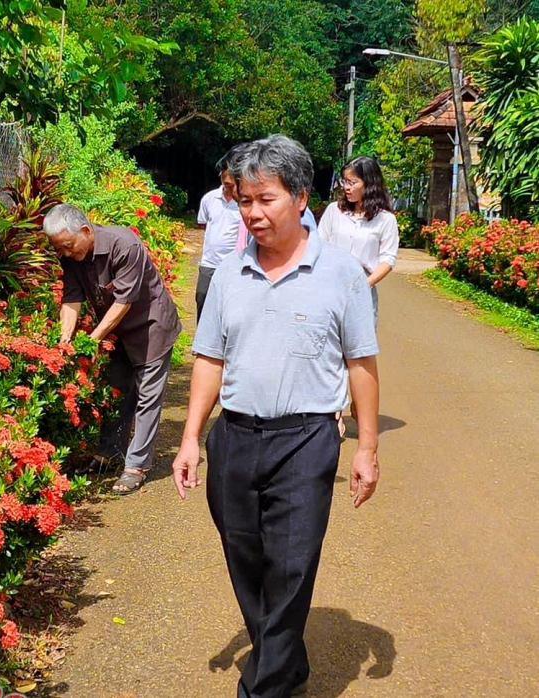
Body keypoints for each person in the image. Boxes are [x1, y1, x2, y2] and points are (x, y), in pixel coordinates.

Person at [172, 135, 381, 698]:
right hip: (235, 438)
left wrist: (366, 448)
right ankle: (288, 661)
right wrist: (190, 438)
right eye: (244, 200)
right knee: (248, 562)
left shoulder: (340, 273)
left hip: (307, 440)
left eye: (265, 199)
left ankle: (264, 687)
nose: (252, 213)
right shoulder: (228, 275)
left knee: (290, 568)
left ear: (300, 196)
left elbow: (361, 363)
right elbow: (209, 359)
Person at [43, 204, 182, 495]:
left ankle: (136, 466)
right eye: (61, 250)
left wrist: (93, 338)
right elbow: (71, 297)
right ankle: (108, 453)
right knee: (117, 389)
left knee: (147, 396)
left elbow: (123, 301)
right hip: (116, 330)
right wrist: (65, 336)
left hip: (150, 327)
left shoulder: (124, 244)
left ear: (84, 230)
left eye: (68, 246)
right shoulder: (71, 256)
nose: (66, 254)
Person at [317, 155, 400, 322]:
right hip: (330, 288)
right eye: (344, 181)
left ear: (369, 184)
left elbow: (388, 259)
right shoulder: (335, 211)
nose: (346, 187)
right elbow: (318, 245)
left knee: (359, 345)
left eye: (352, 182)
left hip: (363, 293)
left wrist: (364, 285)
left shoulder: (386, 219)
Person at [196, 151, 243, 325]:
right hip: (209, 262)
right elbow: (203, 224)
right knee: (202, 299)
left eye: (232, 185)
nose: (228, 188)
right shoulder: (209, 199)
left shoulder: (244, 203)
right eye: (225, 184)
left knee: (228, 306)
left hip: (233, 264)